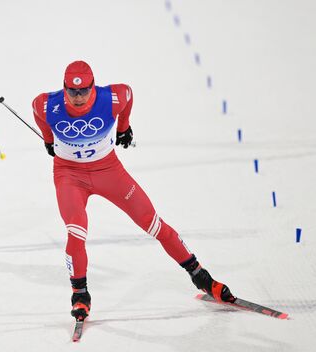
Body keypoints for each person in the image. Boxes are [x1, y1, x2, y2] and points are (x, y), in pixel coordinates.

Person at [32, 61, 235, 321]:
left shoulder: (113, 97)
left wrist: (124, 127)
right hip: (69, 175)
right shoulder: (47, 104)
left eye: (83, 91)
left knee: (153, 224)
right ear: (64, 89)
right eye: (72, 91)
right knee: (76, 229)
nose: (78, 97)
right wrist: (48, 139)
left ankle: (202, 278)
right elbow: (38, 114)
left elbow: (128, 95)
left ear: (93, 87)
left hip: (108, 171)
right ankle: (80, 296)